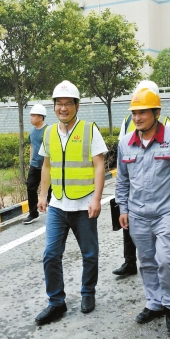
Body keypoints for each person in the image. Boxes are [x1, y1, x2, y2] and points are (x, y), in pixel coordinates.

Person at [115, 87, 170, 333]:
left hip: (166, 212)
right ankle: (154, 303)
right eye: (134, 113)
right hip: (137, 214)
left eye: (143, 112)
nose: (137, 118)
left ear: (156, 112)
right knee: (146, 262)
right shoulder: (125, 143)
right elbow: (122, 181)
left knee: (166, 260)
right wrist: (123, 208)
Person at [35, 80, 108, 325]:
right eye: (59, 104)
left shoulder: (89, 129)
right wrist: (42, 195)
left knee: (89, 254)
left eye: (68, 103)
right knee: (50, 255)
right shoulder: (49, 132)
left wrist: (97, 198)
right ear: (54, 106)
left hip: (84, 205)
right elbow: (47, 165)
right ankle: (56, 302)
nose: (63, 108)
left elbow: (100, 165)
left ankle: (88, 293)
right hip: (58, 205)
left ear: (77, 105)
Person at [112, 80, 170, 277]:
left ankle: (157, 261)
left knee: (154, 230)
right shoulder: (128, 120)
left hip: (153, 185)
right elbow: (122, 143)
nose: (138, 116)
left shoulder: (165, 123)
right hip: (131, 178)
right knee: (127, 224)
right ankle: (130, 262)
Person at [23, 104, 47, 224]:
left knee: (52, 190)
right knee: (30, 187)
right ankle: (33, 213)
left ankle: (56, 214)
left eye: (33, 115)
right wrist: (30, 161)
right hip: (35, 165)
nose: (31, 118)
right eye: (31, 115)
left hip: (47, 166)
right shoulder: (32, 131)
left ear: (41, 117)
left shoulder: (48, 130)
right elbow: (32, 146)